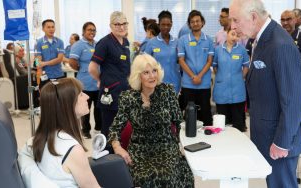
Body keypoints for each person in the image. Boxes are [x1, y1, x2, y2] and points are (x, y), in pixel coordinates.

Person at [229, 0, 301, 187]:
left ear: (253, 17)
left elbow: (293, 100)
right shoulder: (260, 40)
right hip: (268, 134)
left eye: (235, 20)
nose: (232, 26)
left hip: (281, 138)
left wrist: (282, 142)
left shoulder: (280, 44)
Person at [108, 54, 194, 187]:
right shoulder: (128, 97)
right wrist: (117, 147)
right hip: (139, 150)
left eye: (154, 71)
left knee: (167, 174)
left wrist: (182, 144)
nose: (152, 76)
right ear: (138, 76)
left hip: (166, 146)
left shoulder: (168, 91)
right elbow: (115, 128)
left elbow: (179, 122)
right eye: (146, 72)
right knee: (142, 177)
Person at [31, 78, 100, 188]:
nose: (87, 96)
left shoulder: (44, 137)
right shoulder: (73, 150)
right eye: (81, 94)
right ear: (68, 104)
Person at [89, 11, 130, 137]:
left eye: (124, 23)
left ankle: (121, 154)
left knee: (123, 128)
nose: (121, 27)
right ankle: (108, 154)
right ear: (111, 26)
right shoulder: (104, 43)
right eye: (117, 24)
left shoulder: (126, 42)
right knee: (109, 130)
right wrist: (100, 79)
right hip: (110, 93)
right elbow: (92, 67)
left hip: (125, 92)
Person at [177, 10, 214, 126]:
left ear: (202, 22)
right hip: (188, 83)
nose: (195, 23)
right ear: (189, 24)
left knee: (205, 113)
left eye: (198, 21)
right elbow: (181, 61)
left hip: (204, 83)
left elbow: (210, 61)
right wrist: (193, 76)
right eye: (192, 22)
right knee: (190, 114)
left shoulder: (209, 40)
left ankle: (208, 140)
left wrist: (200, 76)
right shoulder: (183, 40)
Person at [213, 27, 249, 132]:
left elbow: (246, 65)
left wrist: (240, 77)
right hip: (222, 89)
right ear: (227, 34)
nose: (235, 37)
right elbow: (215, 66)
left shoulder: (241, 49)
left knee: (238, 123)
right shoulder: (218, 49)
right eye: (232, 34)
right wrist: (222, 76)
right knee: (222, 122)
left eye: (237, 35)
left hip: (237, 89)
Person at [69, 22, 101, 139]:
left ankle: (98, 128)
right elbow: (72, 62)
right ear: (83, 31)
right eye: (89, 30)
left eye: (94, 30)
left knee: (99, 108)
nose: (91, 32)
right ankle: (85, 130)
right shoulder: (78, 45)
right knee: (85, 109)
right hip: (85, 83)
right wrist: (81, 69)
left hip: (97, 83)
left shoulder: (98, 44)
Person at [144, 10, 181, 94]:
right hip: (157, 85)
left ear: (171, 24)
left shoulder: (177, 42)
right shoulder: (152, 42)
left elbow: (181, 62)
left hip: (174, 84)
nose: (166, 27)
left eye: (168, 25)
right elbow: (144, 63)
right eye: (163, 25)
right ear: (158, 25)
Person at [35, 19, 65, 88]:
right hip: (45, 76)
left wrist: (44, 63)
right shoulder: (39, 43)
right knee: (47, 97)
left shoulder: (60, 42)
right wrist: (39, 73)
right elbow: (37, 61)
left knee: (59, 96)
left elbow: (59, 59)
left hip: (58, 75)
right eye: (48, 27)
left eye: (52, 27)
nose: (51, 29)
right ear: (43, 29)